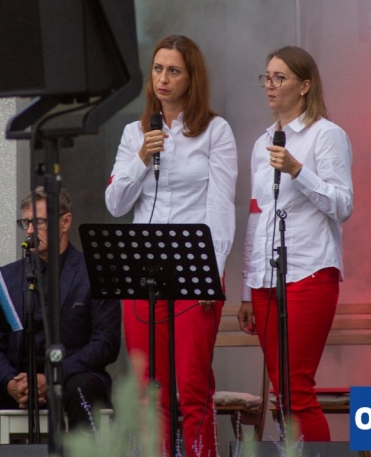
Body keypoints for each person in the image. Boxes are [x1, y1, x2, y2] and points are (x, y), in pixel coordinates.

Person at [106, 34, 237, 456]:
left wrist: (211, 273)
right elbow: (115, 203)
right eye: (158, 69)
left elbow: (221, 206)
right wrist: (141, 157)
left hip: (193, 268)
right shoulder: (134, 133)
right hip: (142, 270)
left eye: (174, 70)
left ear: (191, 78)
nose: (163, 78)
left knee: (193, 385)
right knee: (149, 388)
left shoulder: (215, 131)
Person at [238, 45, 353, 442]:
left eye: (280, 77)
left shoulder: (327, 135)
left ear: (304, 86)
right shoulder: (262, 142)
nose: (270, 85)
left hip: (309, 270)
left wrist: (298, 170)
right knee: (283, 394)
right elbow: (257, 213)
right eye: (266, 77)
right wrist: (246, 287)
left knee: (296, 389)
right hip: (265, 280)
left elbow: (343, 205)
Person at [0, 187, 121, 430]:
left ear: (65, 222)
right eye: (26, 223)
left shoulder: (95, 273)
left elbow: (106, 343)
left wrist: (52, 377)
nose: (30, 231)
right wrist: (10, 382)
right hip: (19, 379)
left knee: (82, 388)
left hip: (73, 376)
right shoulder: (7, 278)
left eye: (39, 222)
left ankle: (84, 449)